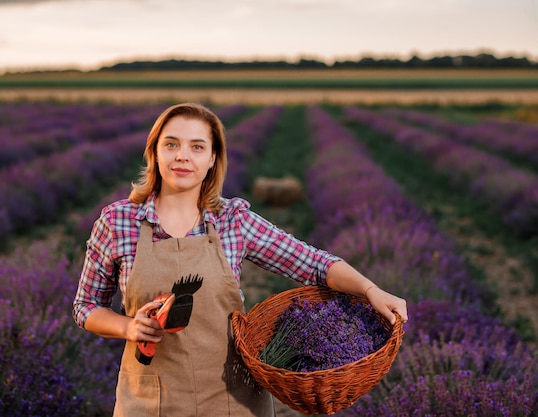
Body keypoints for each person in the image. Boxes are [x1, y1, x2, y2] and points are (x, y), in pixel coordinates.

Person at [72, 102, 408, 417]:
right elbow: (86, 306)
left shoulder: (233, 219)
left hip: (232, 399)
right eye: (171, 144)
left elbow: (315, 264)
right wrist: (128, 326)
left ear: (213, 158)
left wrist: (370, 290)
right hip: (149, 399)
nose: (183, 157)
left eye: (197, 147)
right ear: (154, 152)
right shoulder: (117, 222)